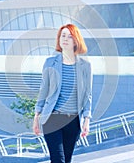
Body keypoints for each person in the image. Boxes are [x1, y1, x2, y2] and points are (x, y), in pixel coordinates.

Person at [33, 24, 93, 163]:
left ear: (76, 41)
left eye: (69, 36)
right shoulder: (50, 63)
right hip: (52, 118)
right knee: (58, 159)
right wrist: (37, 116)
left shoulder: (85, 66)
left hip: (73, 120)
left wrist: (87, 120)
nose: (65, 39)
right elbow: (44, 91)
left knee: (66, 160)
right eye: (63, 35)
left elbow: (87, 95)